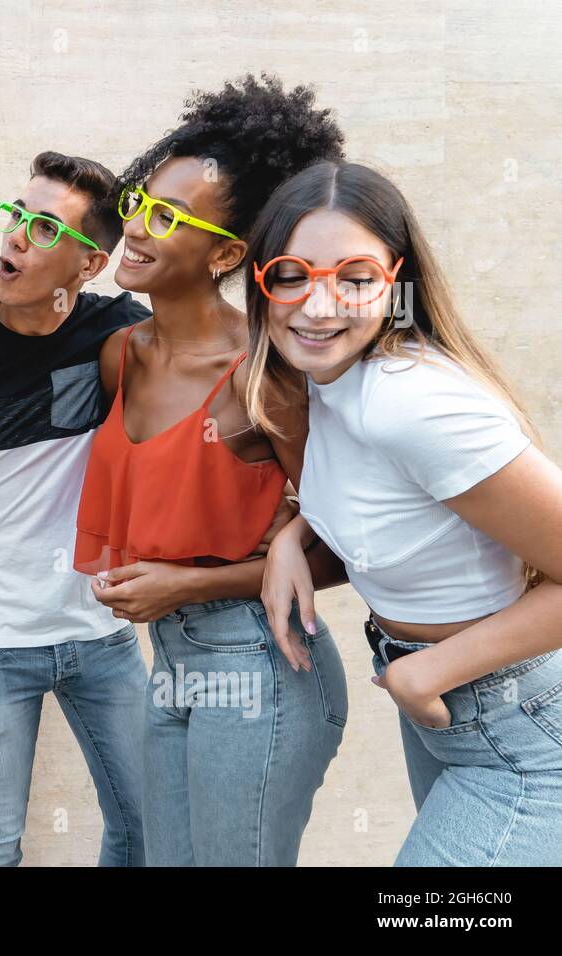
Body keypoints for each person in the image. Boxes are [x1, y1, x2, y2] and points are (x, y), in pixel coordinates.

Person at [252, 161, 562, 865]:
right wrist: (292, 538)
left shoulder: (409, 400)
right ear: (261, 282)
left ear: (396, 282)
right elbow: (384, 491)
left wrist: (428, 671)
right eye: (292, 274)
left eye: (355, 278)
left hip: (522, 733)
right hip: (455, 717)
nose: (319, 306)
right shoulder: (334, 373)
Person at [74, 75, 350, 865]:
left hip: (262, 661)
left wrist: (186, 584)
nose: (137, 226)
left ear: (228, 252)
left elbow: (342, 546)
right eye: (139, 203)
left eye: (168, 216)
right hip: (173, 664)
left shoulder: (265, 374)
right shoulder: (122, 354)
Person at [0, 151, 151, 866]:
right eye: (18, 215)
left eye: (47, 228)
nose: (19, 236)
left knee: (147, 826)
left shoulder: (118, 330)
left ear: (90, 264)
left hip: (102, 634)